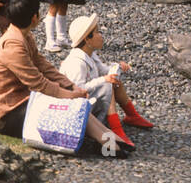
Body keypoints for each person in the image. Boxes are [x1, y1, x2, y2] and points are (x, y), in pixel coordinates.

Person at [0, 0, 128, 157]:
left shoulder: (23, 36)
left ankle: (108, 138)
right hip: (4, 114)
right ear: (34, 18)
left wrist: (71, 87)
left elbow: (44, 66)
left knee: (75, 103)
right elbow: (40, 84)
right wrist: (70, 95)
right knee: (67, 106)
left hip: (20, 101)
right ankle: (107, 142)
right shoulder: (13, 45)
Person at [61, 13, 154, 149]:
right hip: (77, 109)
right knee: (107, 84)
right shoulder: (76, 62)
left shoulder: (90, 54)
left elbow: (104, 70)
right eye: (97, 32)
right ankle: (115, 129)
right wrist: (104, 80)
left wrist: (117, 68)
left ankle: (131, 115)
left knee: (113, 81)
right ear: (87, 39)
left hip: (89, 101)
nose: (101, 35)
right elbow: (78, 89)